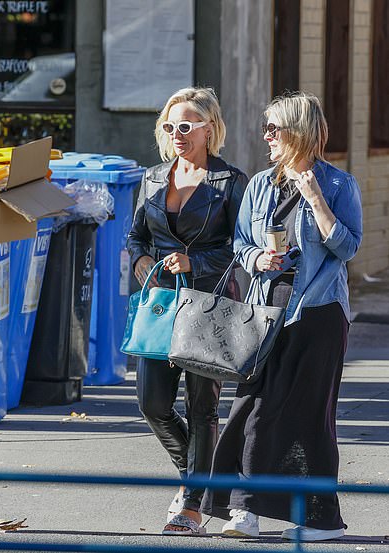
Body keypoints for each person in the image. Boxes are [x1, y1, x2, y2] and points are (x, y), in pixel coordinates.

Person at [202, 92, 363, 541]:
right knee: (249, 410)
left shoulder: (336, 185)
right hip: (264, 311)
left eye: (275, 128)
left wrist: (315, 199)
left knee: (310, 417)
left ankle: (321, 520)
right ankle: (244, 510)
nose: (266, 136)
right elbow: (240, 244)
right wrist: (258, 261)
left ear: (300, 133)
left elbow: (348, 247)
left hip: (317, 314)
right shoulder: (259, 185)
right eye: (266, 128)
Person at [127, 87, 247, 535]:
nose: (176, 134)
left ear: (208, 129)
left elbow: (243, 247)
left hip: (208, 303)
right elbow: (136, 235)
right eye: (169, 126)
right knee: (151, 402)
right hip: (160, 304)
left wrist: (197, 261)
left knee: (202, 408)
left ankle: (193, 505)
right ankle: (195, 476)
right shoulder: (154, 177)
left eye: (186, 126)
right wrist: (140, 260)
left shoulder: (231, 182)